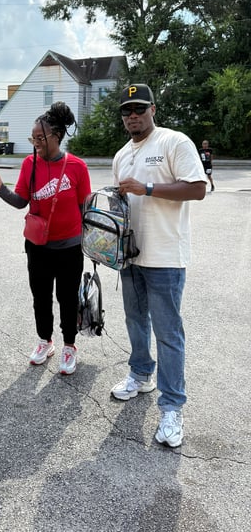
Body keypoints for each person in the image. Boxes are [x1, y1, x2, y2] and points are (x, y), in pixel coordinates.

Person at [111, 84, 206, 447]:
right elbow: (120, 208)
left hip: (165, 257)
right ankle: (140, 375)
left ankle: (171, 407)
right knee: (135, 321)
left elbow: (197, 188)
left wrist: (147, 188)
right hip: (131, 256)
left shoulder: (173, 142)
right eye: (126, 111)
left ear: (153, 109)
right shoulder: (122, 155)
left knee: (168, 333)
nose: (132, 116)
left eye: (138, 109)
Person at [0, 102, 91, 375]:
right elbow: (20, 202)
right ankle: (45, 341)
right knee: (40, 297)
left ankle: (69, 345)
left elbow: (84, 208)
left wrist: (89, 243)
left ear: (57, 136)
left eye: (40, 138)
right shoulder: (29, 163)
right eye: (33, 138)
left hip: (69, 248)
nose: (35, 143)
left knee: (67, 298)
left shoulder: (77, 166)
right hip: (38, 247)